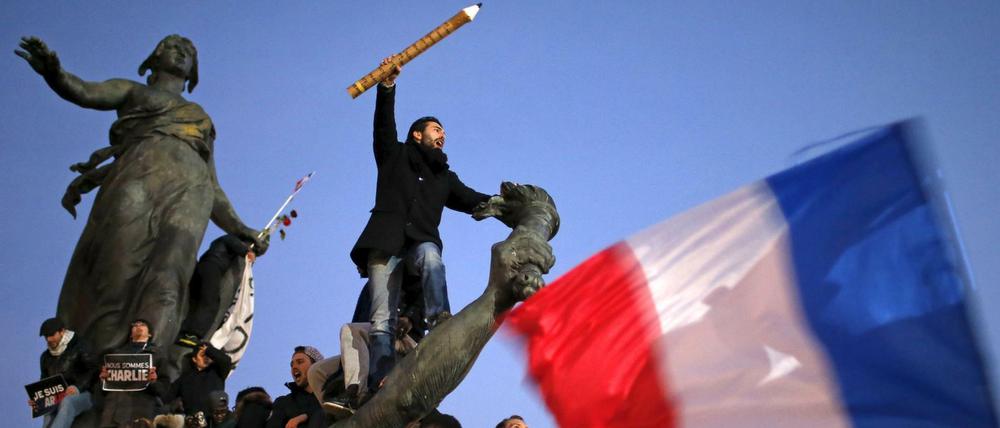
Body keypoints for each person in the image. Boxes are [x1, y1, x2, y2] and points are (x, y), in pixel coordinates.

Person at [14, 35, 267, 369]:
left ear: (194, 70)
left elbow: (212, 184)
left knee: (170, 276)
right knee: (116, 271)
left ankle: (151, 367)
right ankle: (96, 369)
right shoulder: (134, 92)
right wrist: (55, 74)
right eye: (172, 47)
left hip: (190, 194)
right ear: (154, 57)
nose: (181, 53)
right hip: (136, 181)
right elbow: (86, 91)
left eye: (189, 52)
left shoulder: (199, 117)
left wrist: (241, 227)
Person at [349, 56, 491, 394]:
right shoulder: (393, 155)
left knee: (430, 255)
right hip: (384, 245)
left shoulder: (445, 177)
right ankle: (380, 380)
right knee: (381, 320)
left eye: (444, 132)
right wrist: (386, 87)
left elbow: (474, 199)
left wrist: (507, 203)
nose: (443, 135)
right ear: (417, 134)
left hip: (419, 242)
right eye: (436, 129)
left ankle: (439, 318)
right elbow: (383, 126)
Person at [307, 316, 418, 416]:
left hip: (403, 337)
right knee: (316, 371)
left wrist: (410, 318)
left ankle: (356, 395)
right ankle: (336, 414)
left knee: (351, 330)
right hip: (372, 345)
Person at [177, 234, 254, 347]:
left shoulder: (220, 243)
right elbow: (236, 245)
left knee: (197, 302)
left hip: (205, 267)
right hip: (212, 267)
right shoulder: (230, 239)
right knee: (211, 301)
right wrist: (247, 251)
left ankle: (183, 331)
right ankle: (192, 334)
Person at [30, 317, 98, 428]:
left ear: (62, 331)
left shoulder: (80, 346)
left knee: (67, 402)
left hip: (83, 395)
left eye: (52, 335)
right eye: (46, 336)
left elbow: (94, 370)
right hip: (57, 397)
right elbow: (44, 382)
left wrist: (77, 387)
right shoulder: (45, 357)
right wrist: (38, 399)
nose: (49, 339)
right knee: (47, 407)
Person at [99, 319, 169, 427]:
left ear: (150, 333)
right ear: (130, 334)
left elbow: (163, 388)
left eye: (143, 324)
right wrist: (103, 380)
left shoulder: (158, 355)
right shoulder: (116, 354)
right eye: (135, 325)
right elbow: (102, 390)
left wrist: (154, 382)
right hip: (114, 407)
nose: (138, 326)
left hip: (141, 407)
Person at [166, 343, 233, 423]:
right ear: (194, 359)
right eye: (203, 355)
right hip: (194, 422)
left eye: (209, 356)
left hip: (215, 421)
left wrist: (208, 350)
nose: (206, 358)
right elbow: (167, 397)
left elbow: (226, 361)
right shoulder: (185, 378)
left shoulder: (217, 372)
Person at [266, 346, 322, 428]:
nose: (294, 367)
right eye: (292, 365)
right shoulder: (284, 402)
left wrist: (305, 416)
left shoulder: (331, 395)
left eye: (300, 362)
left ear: (315, 365)